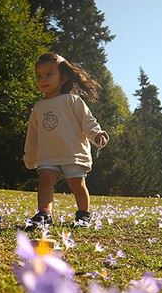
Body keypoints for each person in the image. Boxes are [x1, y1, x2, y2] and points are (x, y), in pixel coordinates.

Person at [23, 53, 109, 227]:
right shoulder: (38, 107)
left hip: (72, 152)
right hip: (49, 155)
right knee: (45, 181)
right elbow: (32, 135)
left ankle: (83, 214)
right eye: (39, 76)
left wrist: (96, 134)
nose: (43, 79)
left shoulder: (73, 101)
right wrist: (30, 157)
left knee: (77, 184)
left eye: (49, 74)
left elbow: (88, 121)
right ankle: (44, 214)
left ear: (63, 77)